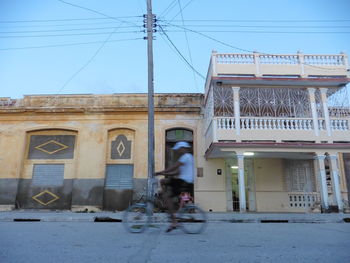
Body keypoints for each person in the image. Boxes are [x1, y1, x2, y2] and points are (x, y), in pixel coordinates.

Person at [155, 141, 194, 232]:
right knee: (163, 180)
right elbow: (177, 172)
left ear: (183, 148)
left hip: (183, 182)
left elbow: (174, 167)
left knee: (165, 194)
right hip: (185, 182)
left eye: (179, 149)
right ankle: (168, 199)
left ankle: (174, 221)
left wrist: (161, 172)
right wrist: (165, 173)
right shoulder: (189, 157)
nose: (178, 151)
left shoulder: (186, 156)